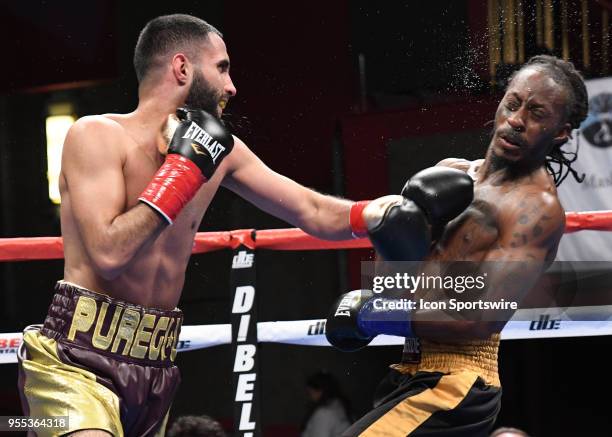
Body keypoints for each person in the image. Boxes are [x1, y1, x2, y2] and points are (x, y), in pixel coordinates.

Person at [15, 13, 471, 437]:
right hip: (76, 361)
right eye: (222, 68)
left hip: (155, 366)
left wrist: (389, 210)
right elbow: (109, 256)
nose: (232, 86)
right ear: (182, 68)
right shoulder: (95, 136)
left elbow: (311, 210)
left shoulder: (222, 152)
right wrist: (180, 173)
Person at [326, 55, 588, 436]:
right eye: (513, 104)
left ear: (560, 131)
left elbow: (479, 317)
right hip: (408, 369)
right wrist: (398, 236)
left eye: (536, 113)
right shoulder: (449, 171)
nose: (516, 120)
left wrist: (372, 317)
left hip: (458, 383)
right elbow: (391, 285)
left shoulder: (536, 208)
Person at [301, 370, 352, 437]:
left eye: (310, 392)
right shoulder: (341, 406)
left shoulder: (324, 413)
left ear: (320, 391)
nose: (310, 397)